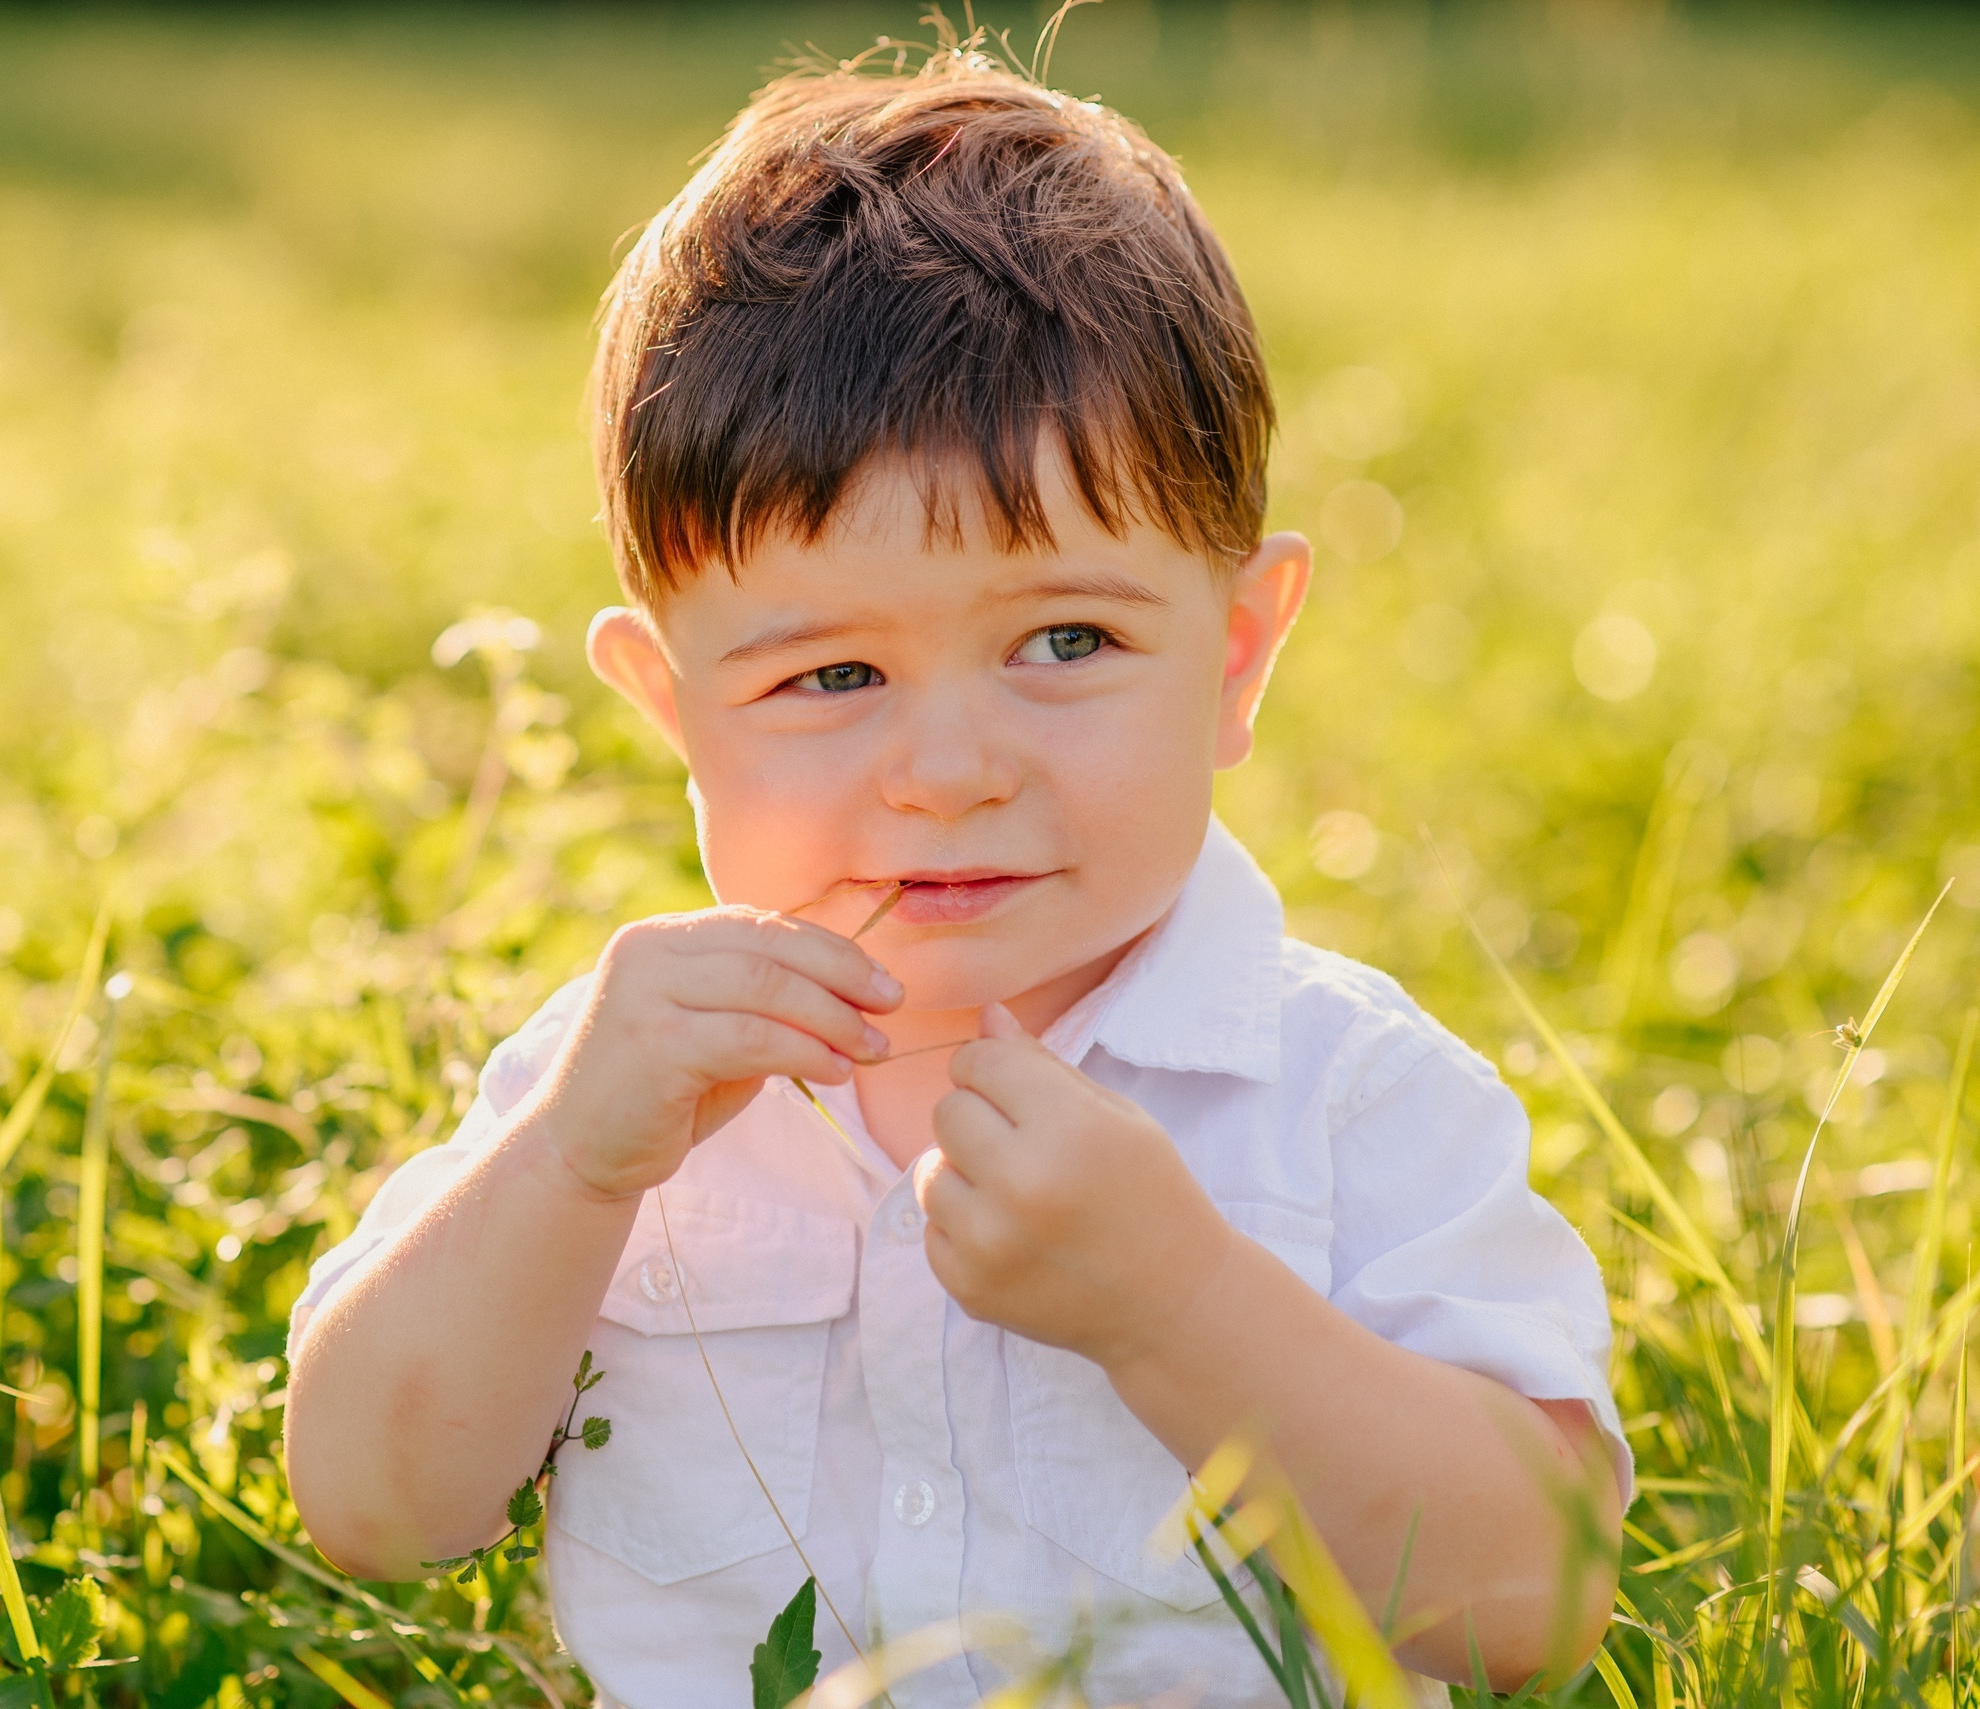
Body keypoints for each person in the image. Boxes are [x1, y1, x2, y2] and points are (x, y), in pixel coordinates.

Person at [285, 35, 1625, 1709]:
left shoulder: (1344, 1098)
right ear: (671, 707)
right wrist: (566, 1166)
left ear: (1236, 655)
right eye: (831, 678)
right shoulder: (618, 1098)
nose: (949, 770)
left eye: (1066, 638)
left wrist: (1180, 1301)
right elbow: (375, 1502)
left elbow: (1532, 1598)